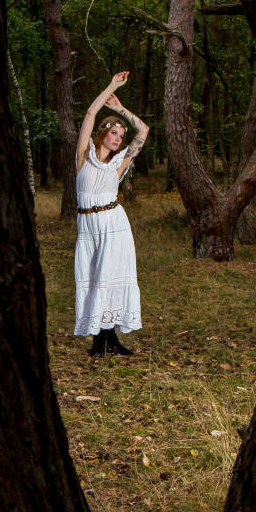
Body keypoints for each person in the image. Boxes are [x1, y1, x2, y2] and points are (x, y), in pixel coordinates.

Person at [74, 70, 150, 357]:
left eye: (121, 135)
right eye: (114, 133)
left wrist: (121, 110)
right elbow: (90, 114)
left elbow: (143, 131)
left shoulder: (119, 164)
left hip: (114, 224)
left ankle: (108, 340)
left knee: (110, 277)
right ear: (103, 133)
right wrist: (111, 87)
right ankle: (101, 338)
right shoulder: (84, 156)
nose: (119, 138)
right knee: (91, 277)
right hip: (88, 225)